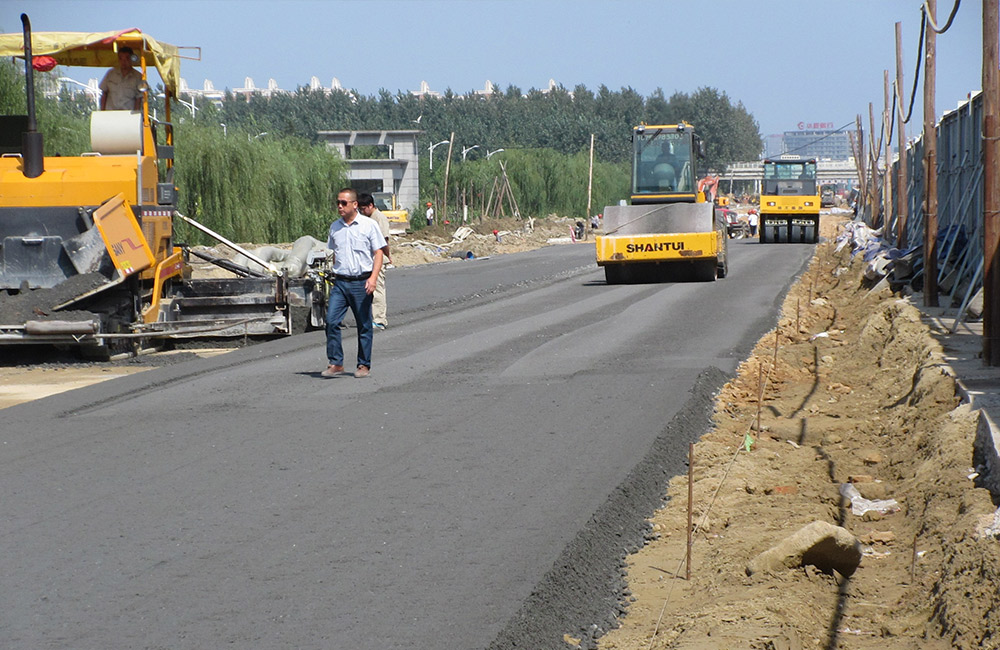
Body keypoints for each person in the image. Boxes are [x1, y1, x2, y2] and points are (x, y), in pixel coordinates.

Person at [322, 189, 387, 379]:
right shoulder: (335, 227)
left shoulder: (369, 225)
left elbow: (379, 253)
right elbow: (334, 252)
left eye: (344, 203)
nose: (340, 206)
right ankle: (336, 363)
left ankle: (363, 364)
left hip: (362, 281)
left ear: (355, 204)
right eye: (338, 203)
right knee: (331, 321)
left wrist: (373, 278)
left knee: (364, 325)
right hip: (341, 283)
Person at [357, 193, 391, 330]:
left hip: (379, 258)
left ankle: (379, 319)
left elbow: (384, 241)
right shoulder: (369, 219)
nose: (362, 212)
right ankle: (370, 317)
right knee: (368, 289)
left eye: (363, 209)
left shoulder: (379, 218)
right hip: (369, 259)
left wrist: (388, 256)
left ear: (371, 205)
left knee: (377, 289)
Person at [99, 46, 143, 111]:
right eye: (121, 58)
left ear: (132, 59)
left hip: (128, 116)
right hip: (110, 115)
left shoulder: (138, 77)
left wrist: (136, 116)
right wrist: (102, 112)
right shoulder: (110, 74)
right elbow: (104, 93)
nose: (124, 62)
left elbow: (138, 99)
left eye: (127, 58)